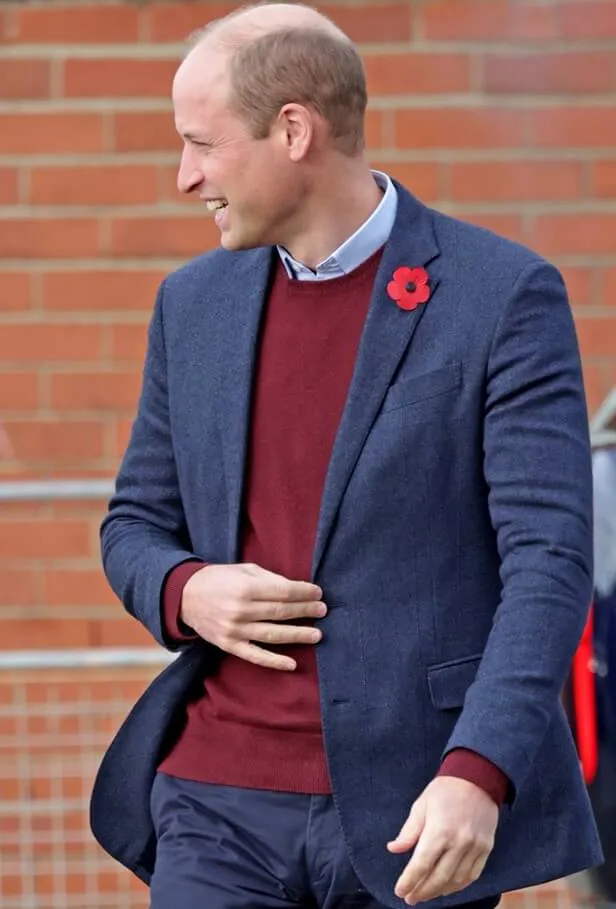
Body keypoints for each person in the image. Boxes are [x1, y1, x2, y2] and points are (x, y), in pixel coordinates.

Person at [90, 3, 602, 907]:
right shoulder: (191, 304)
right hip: (215, 800)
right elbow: (134, 522)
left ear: (293, 129)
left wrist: (479, 768)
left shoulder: (501, 296)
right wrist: (186, 590)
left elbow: (549, 562)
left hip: (418, 810)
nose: (185, 176)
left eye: (202, 143)